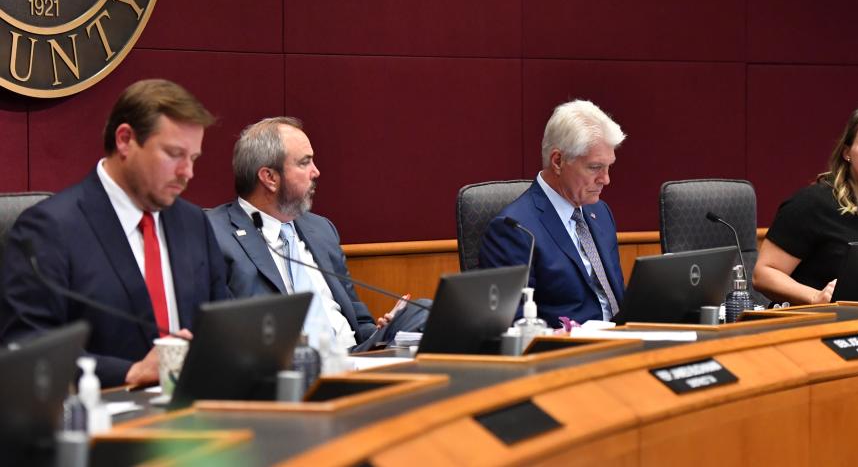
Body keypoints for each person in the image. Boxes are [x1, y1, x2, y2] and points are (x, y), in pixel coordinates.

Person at [0, 79, 229, 387]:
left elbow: (222, 321)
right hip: (104, 413)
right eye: (174, 154)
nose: (187, 172)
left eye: (193, 158)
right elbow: (27, 347)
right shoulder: (50, 228)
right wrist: (131, 372)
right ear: (125, 140)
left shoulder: (193, 222)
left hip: (196, 410)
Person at [206, 117, 428, 353]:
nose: (316, 172)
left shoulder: (321, 230)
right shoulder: (215, 234)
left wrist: (381, 330)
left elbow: (359, 322)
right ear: (269, 177)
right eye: (304, 163)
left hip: (353, 357)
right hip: (288, 365)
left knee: (425, 312)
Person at [478, 99, 626, 328]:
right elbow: (513, 327)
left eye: (609, 167)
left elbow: (616, 299)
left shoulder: (600, 212)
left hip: (626, 342)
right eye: (595, 167)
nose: (606, 179)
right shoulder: (514, 229)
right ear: (558, 161)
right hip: (569, 355)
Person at [753, 107, 858, 305]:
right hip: (810, 323)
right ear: (847, 152)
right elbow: (763, 273)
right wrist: (815, 297)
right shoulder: (812, 203)